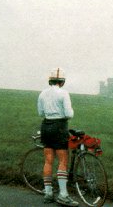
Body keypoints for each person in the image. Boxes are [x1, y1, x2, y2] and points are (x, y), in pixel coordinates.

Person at [37, 68, 79, 206]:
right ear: (62, 81)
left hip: (46, 126)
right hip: (59, 126)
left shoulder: (42, 93)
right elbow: (69, 114)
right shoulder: (64, 93)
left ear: (50, 80)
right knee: (62, 161)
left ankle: (48, 193)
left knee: (48, 160)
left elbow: (40, 112)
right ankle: (63, 194)